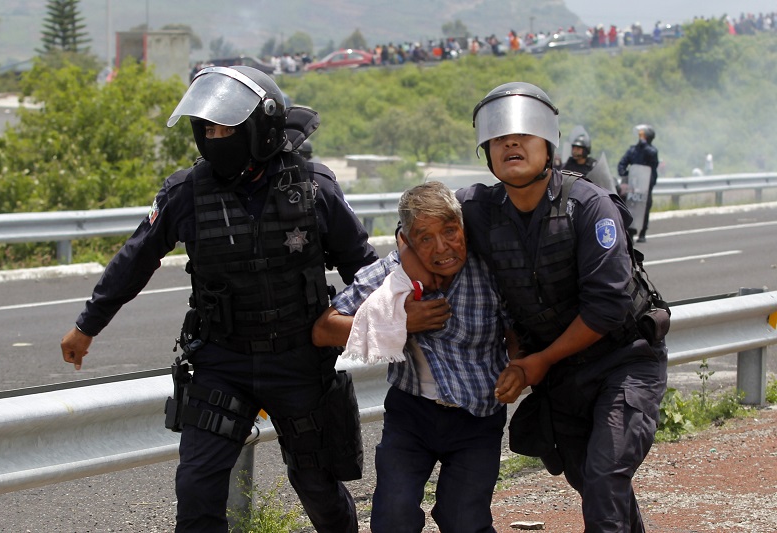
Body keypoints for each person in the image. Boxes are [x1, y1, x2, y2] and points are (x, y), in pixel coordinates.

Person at [59, 65, 378, 533]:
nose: (214, 136)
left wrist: (390, 329)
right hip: (221, 362)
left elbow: (363, 269)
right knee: (197, 490)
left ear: (262, 126)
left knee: (317, 487)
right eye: (207, 127)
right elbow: (135, 259)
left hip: (299, 361)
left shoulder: (313, 186)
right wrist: (88, 325)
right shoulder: (186, 192)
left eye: (226, 126)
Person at [457, 82, 668, 532]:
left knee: (604, 476)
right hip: (561, 376)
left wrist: (539, 361)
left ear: (548, 144)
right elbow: (417, 223)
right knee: (592, 484)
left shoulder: (589, 207)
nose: (510, 142)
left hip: (623, 361)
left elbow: (608, 307)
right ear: (486, 152)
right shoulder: (478, 209)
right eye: (498, 137)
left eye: (524, 134)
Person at [313, 181, 510, 533]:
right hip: (412, 415)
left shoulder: (491, 268)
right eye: (425, 238)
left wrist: (521, 368)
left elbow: (519, 330)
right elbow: (324, 328)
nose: (442, 247)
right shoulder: (393, 273)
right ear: (406, 241)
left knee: (464, 520)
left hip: (478, 417)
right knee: (393, 518)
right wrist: (399, 320)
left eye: (450, 231)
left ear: (463, 227)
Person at [617, 124, 659, 243]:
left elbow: (652, 157)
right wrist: (623, 172)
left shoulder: (652, 150)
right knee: (630, 205)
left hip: (646, 185)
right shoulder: (633, 150)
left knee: (645, 206)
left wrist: (644, 144)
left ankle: (643, 231)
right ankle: (630, 231)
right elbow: (623, 162)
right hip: (633, 184)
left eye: (643, 135)